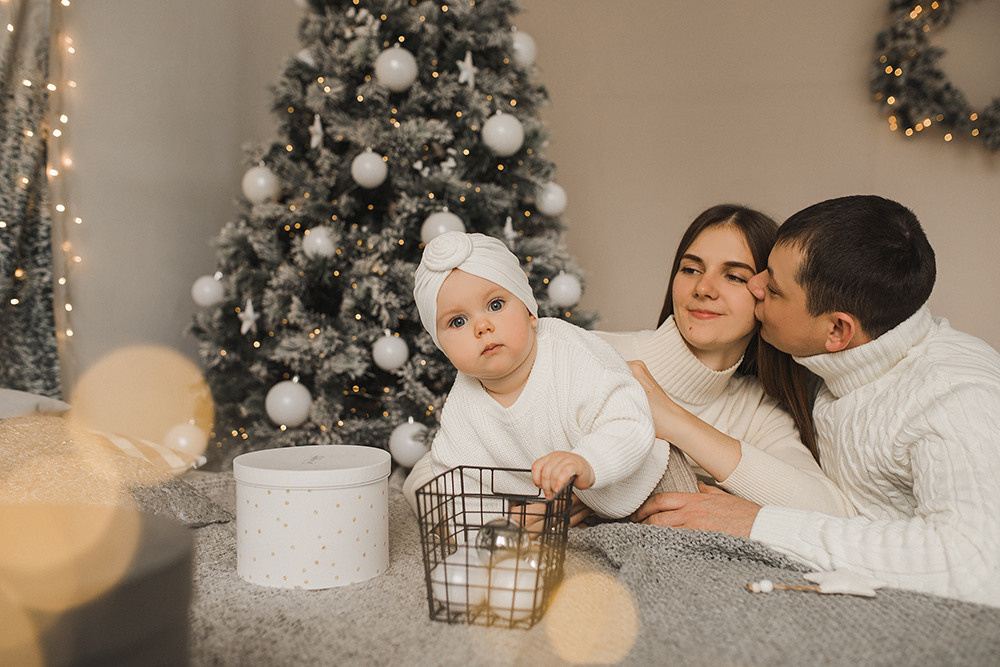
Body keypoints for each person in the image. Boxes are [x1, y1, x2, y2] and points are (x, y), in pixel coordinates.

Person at [636, 195, 1000, 607]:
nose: (755, 286)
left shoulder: (958, 396)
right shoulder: (821, 367)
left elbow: (975, 566)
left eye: (772, 288)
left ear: (837, 332)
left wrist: (756, 523)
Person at [595, 204, 852, 516]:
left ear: (768, 293)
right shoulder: (596, 352)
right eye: (691, 269)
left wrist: (674, 421)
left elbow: (832, 512)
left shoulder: (756, 411)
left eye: (733, 276)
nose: (703, 288)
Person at [405, 230, 673, 519]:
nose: (482, 326)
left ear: (530, 311)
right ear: (442, 347)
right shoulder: (461, 408)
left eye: (495, 305)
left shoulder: (569, 353)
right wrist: (498, 526)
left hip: (646, 477)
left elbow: (628, 420)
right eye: (458, 321)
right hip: (573, 506)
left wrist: (586, 461)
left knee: (684, 530)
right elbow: (457, 482)